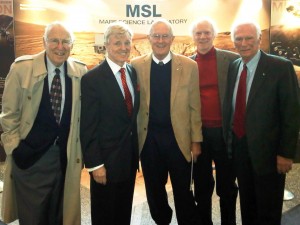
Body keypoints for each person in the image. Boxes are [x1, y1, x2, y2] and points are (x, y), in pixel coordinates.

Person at [0, 21, 88, 225]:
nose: (60, 46)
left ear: (72, 45)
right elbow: (8, 114)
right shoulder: (22, 68)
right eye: (54, 41)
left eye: (66, 41)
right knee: (33, 217)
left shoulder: (80, 72)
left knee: (59, 215)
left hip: (65, 159)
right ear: (44, 42)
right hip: (30, 159)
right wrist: (15, 147)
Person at [223, 20, 300, 225]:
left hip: (269, 154)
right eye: (239, 39)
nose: (244, 43)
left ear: (259, 39)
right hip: (240, 150)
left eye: (249, 38)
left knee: (268, 209)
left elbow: (291, 113)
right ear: (233, 42)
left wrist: (286, 153)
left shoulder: (280, 67)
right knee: (247, 205)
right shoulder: (234, 66)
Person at [131, 18, 202, 225]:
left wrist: (196, 140)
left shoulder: (189, 66)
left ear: (172, 39)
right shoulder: (136, 66)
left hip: (178, 139)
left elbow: (195, 106)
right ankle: (162, 220)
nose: (160, 40)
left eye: (165, 36)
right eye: (156, 36)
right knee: (154, 189)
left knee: (183, 189)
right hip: (149, 140)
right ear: (149, 39)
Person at [80, 21, 139, 225]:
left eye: (127, 42)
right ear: (106, 45)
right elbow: (88, 126)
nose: (123, 47)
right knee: (104, 214)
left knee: (123, 212)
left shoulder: (131, 72)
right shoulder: (92, 79)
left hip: (129, 160)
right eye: (117, 43)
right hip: (105, 163)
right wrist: (95, 164)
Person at [190, 17, 239, 225]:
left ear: (214, 34)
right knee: (201, 186)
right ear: (193, 36)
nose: (202, 37)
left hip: (224, 133)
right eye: (198, 33)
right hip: (199, 135)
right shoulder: (187, 63)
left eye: (206, 32)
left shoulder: (231, 60)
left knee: (227, 186)